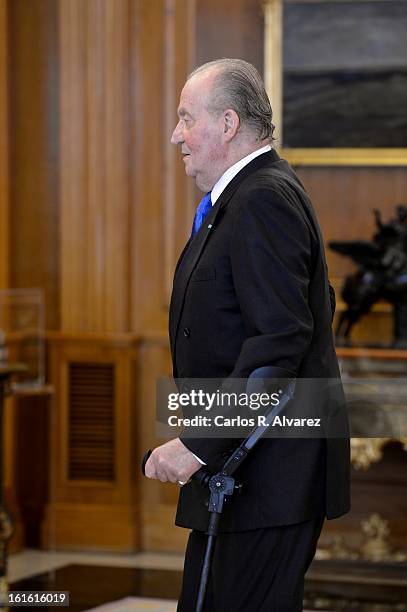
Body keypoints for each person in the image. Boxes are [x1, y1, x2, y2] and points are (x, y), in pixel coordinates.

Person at [145, 58, 350, 611]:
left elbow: (277, 343)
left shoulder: (261, 198)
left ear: (229, 123)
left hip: (264, 482)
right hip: (244, 484)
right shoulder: (244, 199)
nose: (176, 136)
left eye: (187, 118)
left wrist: (198, 445)